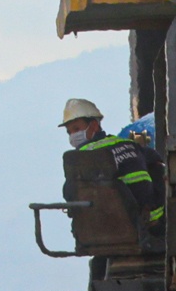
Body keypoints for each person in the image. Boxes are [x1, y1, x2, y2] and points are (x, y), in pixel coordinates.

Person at [59, 98, 165, 231]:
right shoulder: (128, 144)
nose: (73, 135)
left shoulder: (79, 157)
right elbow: (156, 160)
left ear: (94, 126)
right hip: (144, 222)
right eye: (70, 132)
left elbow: (69, 193)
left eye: (76, 128)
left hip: (101, 228)